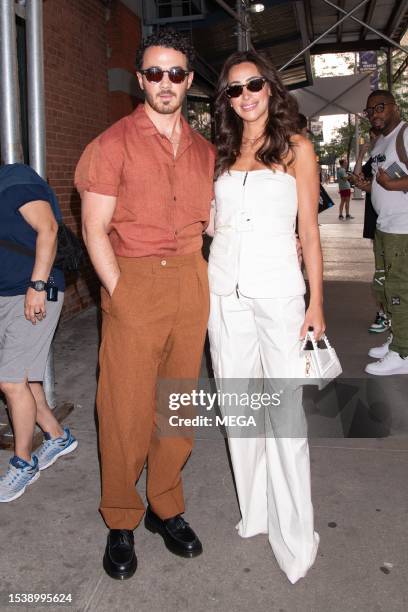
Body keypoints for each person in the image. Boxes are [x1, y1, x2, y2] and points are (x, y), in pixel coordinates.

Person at [75, 29, 215, 580]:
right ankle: (121, 518)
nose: (165, 82)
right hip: (134, 280)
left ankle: (166, 506)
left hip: (191, 281)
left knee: (177, 403)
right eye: (154, 73)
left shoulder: (206, 151)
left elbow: (217, 225)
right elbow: (93, 229)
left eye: (176, 73)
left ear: (188, 80)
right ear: (140, 79)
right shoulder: (112, 143)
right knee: (125, 411)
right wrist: (120, 292)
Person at [206, 50, 325, 583]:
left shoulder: (297, 147)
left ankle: (296, 533)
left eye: (254, 84)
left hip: (280, 296)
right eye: (234, 89)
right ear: (226, 100)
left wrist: (316, 303)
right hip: (222, 294)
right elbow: (211, 224)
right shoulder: (222, 152)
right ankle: (255, 513)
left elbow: (310, 232)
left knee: (285, 415)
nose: (246, 95)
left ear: (271, 88)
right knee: (239, 409)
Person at [0, 163, 77, 503]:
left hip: (33, 291)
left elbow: (47, 228)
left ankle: (23, 462)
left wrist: (37, 285)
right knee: (27, 377)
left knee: (10, 380)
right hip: (7, 295)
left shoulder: (14, 179)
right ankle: (58, 437)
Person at [356, 90, 408, 375]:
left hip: (403, 227)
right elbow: (383, 182)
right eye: (369, 110)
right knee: (385, 288)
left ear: (394, 107)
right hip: (384, 226)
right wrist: (368, 186)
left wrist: (392, 186)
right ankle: (399, 339)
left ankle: (404, 353)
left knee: (400, 289)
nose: (374, 114)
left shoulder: (405, 134)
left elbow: (395, 183)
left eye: (379, 107)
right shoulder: (380, 143)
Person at [352, 129, 391, 334]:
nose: (373, 140)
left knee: (391, 272)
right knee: (382, 271)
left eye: (376, 136)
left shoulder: (393, 154)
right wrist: (360, 155)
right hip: (376, 222)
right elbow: (357, 179)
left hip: (394, 223)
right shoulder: (373, 159)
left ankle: (390, 316)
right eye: (371, 137)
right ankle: (385, 313)